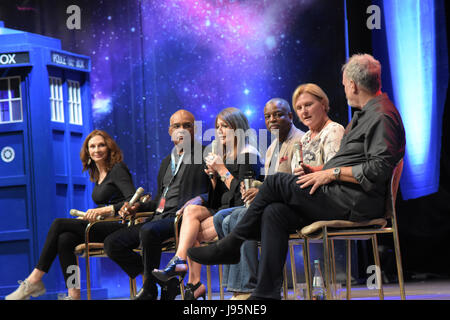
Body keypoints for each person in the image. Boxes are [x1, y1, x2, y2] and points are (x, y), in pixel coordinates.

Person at [187, 53, 406, 300]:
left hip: (356, 202)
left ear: (353, 85)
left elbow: (379, 170)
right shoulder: (364, 115)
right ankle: (266, 293)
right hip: (341, 195)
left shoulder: (382, 116)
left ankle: (231, 244)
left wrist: (330, 173)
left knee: (278, 181)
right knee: (274, 212)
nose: (344, 89)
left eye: (344, 84)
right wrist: (319, 172)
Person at [5, 130, 136, 300]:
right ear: (87, 152)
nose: (97, 149)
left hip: (121, 226)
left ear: (110, 148)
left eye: (101, 145)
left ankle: (34, 280)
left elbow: (132, 200)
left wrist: (103, 210)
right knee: (64, 239)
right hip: (104, 224)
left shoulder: (117, 169)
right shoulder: (97, 174)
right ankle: (73, 294)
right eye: (92, 146)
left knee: (59, 224)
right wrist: (95, 216)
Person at [151, 107, 261, 300]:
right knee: (191, 211)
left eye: (225, 126)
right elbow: (217, 198)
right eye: (217, 126)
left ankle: (191, 280)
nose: (219, 131)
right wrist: (212, 178)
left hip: (240, 211)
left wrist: (222, 171)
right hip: (223, 209)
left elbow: (242, 195)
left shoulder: (248, 153)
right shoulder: (224, 155)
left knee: (191, 232)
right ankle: (188, 276)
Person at [104, 109, 211, 300]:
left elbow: (217, 193)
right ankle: (165, 283)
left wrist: (201, 198)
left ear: (195, 130)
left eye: (187, 125)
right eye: (177, 126)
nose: (182, 130)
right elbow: (160, 200)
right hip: (159, 217)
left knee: (148, 231)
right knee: (112, 243)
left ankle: (150, 289)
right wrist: (138, 208)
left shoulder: (205, 154)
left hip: (183, 219)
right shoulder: (166, 162)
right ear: (170, 131)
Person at [213, 97, 305, 300]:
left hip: (287, 206)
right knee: (220, 218)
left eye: (278, 114)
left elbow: (297, 181)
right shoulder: (272, 147)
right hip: (268, 201)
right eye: (268, 116)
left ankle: (247, 287)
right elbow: (265, 185)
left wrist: (223, 172)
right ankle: (235, 286)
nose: (272, 119)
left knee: (237, 218)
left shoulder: (299, 141)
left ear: (290, 116)